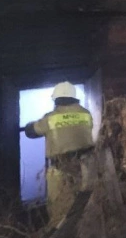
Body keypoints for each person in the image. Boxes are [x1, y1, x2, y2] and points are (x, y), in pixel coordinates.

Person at [24, 81, 95, 227]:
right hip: (85, 169)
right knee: (84, 207)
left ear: (56, 99)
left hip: (60, 170)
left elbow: (31, 132)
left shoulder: (51, 118)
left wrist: (29, 125)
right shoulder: (86, 114)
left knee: (59, 210)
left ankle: (60, 235)